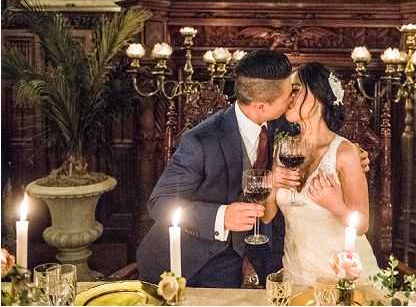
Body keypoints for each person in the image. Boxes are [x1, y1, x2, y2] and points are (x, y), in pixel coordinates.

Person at [137, 51, 370, 288]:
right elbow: (159, 202)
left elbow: (323, 140)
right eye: (291, 92)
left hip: (260, 257)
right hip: (193, 260)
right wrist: (222, 217)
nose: (292, 98)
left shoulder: (282, 124)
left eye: (296, 91)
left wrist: (350, 159)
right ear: (261, 106)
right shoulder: (200, 141)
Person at [262, 62, 379, 286]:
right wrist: (273, 184)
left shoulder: (345, 153)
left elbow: (362, 224)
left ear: (318, 94)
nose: (288, 96)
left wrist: (335, 204)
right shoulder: (283, 149)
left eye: (296, 90)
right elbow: (267, 216)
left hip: (341, 277)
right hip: (296, 275)